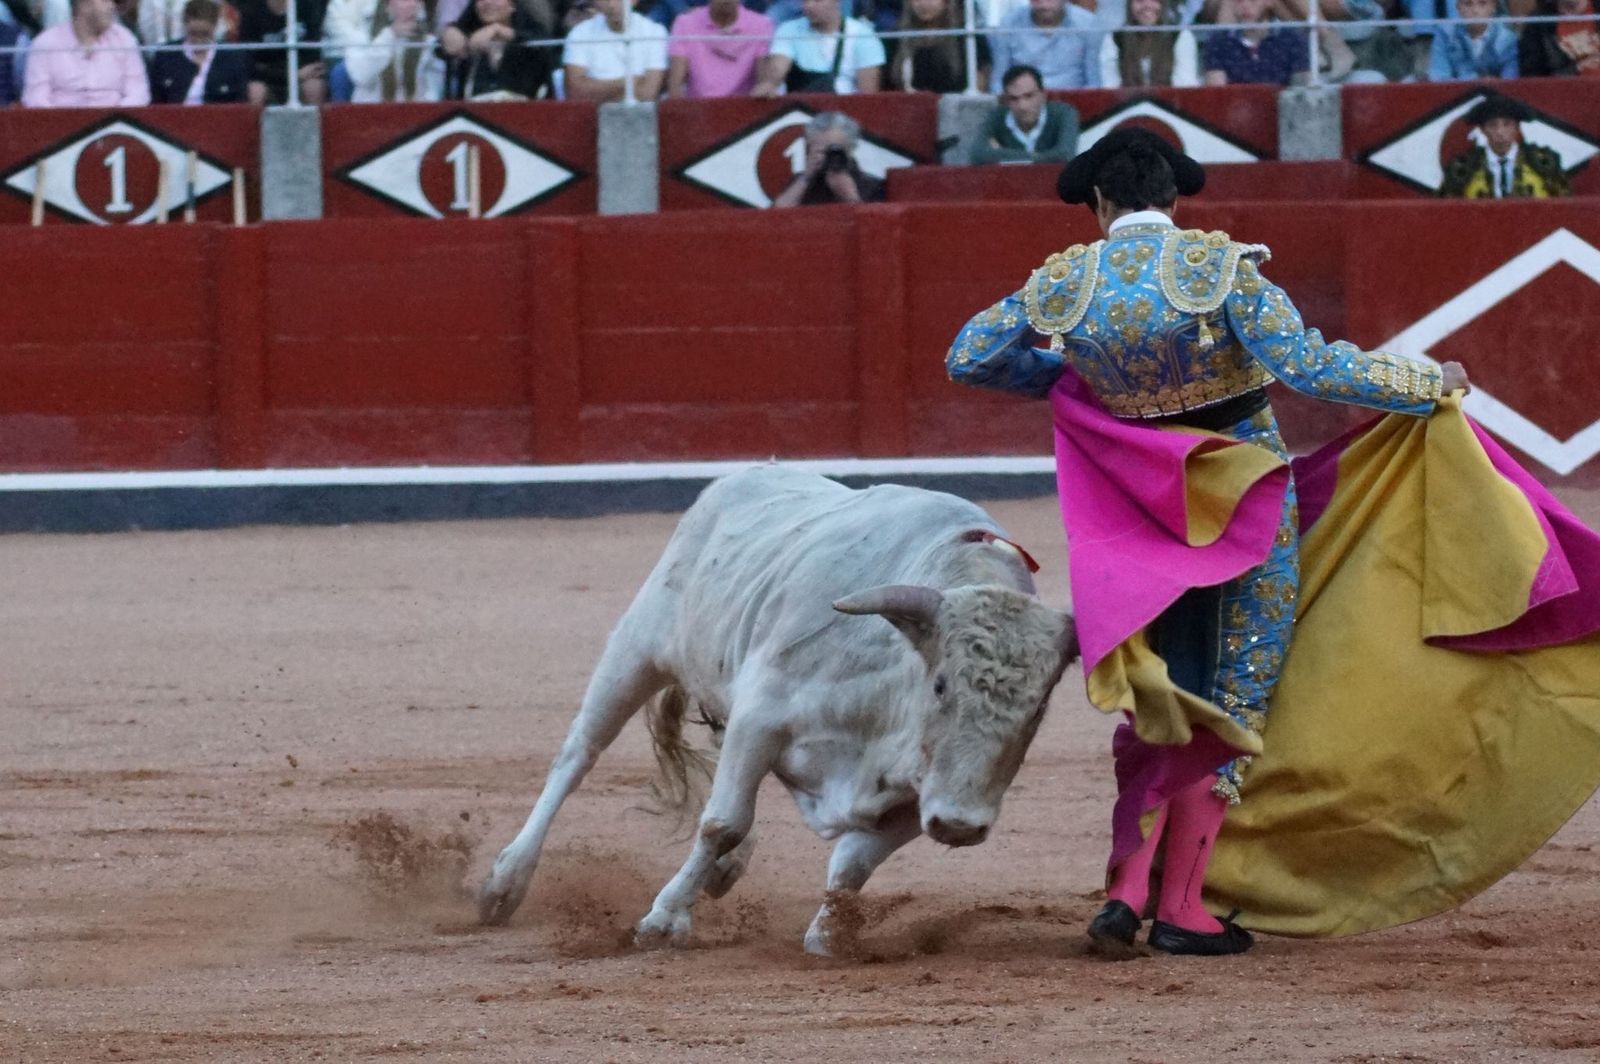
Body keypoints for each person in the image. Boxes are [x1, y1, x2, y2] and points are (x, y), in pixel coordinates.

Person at [945, 127, 1470, 956]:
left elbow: (969, 357)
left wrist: (1068, 375)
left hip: (1140, 506)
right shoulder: (1219, 267)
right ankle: (1183, 909)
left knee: (1162, 685)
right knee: (1233, 688)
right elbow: (1308, 368)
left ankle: (1125, 892)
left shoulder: (1065, 281)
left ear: (1098, 204)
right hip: (1244, 498)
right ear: (1174, 199)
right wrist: (1422, 381)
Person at [1439, 94, 1571, 197]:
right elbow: (1446, 210)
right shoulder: (1462, 167)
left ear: (1517, 128)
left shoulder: (1543, 162)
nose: (1500, 132)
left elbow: (1562, 204)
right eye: (1492, 125)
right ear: (1482, 130)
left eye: (1507, 124)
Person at [22, 0, 149, 105]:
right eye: (105, 1)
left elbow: (138, 93)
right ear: (83, 4)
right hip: (60, 124)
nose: (112, 6)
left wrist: (115, 120)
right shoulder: (45, 44)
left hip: (116, 124)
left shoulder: (125, 40)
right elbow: (35, 98)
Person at [754, 0, 884, 94]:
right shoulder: (788, 30)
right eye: (805, 1)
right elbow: (778, 67)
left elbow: (868, 94)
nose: (809, 6)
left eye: (817, 0)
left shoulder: (864, 35)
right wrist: (769, 83)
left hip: (845, 114)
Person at [441, 0, 558, 98]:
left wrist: (500, 31)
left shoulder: (532, 38)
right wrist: (451, 32)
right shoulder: (469, 39)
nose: (488, 2)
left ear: (512, 5)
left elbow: (545, 45)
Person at [771, 110, 886, 206]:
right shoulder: (800, 183)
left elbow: (875, 222)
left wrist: (850, 197)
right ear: (810, 148)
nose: (829, 156)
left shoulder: (872, 185)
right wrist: (806, 178)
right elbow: (776, 216)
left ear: (850, 149)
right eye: (822, 150)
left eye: (835, 150)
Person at [562, 0, 668, 101]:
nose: (612, 5)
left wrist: (596, 88)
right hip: (593, 112)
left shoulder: (655, 32)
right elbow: (576, 93)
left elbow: (648, 93)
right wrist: (628, 82)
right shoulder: (579, 33)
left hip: (641, 112)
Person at [972, 64, 1079, 164]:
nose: (1022, 106)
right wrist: (1039, 157)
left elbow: (1065, 154)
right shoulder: (996, 116)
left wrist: (1001, 153)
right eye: (1013, 99)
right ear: (1005, 101)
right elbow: (977, 154)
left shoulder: (1063, 113)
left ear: (1043, 95)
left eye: (1029, 96)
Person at [665, 0, 773, 98]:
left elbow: (763, 80)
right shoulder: (685, 23)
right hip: (698, 108)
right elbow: (676, 84)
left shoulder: (761, 25)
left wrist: (765, 87)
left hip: (744, 107)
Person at [148, 0, 251, 101]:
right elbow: (156, 100)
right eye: (193, 33)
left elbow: (239, 101)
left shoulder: (233, 59)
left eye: (205, 34)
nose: (199, 40)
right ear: (184, 24)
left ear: (215, 25)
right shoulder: (166, 56)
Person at [988, 0, 1102, 90]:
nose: (1044, 5)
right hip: (1023, 105)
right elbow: (999, 81)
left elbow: (1094, 81)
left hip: (1075, 103)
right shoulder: (1009, 24)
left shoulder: (1089, 24)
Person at [346, 0, 445, 98]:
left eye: (417, 0)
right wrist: (390, 34)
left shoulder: (428, 42)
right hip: (372, 106)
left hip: (414, 106)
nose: (413, 4)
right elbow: (361, 77)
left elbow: (434, 88)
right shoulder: (361, 37)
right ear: (387, 5)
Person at [885, 0, 990, 92]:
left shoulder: (967, 37)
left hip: (956, 106)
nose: (924, 4)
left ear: (947, 2)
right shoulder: (896, 38)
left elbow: (980, 83)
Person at [237, 0, 327, 104]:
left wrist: (300, 73)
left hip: (302, 72)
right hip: (267, 77)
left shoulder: (307, 6)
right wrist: (293, 75)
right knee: (255, 91)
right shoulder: (251, 10)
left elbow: (313, 51)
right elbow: (250, 63)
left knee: (314, 87)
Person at [1201, 0, 1308, 85]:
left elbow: (1301, 91)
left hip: (1280, 105)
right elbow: (1217, 92)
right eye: (1239, 0)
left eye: (1253, 0)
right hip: (1235, 105)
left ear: (1269, 2)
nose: (1245, 5)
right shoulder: (1219, 43)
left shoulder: (1292, 40)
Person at [1105, 0, 1198, 86]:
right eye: (1140, 0)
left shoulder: (1181, 36)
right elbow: (1110, 88)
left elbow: (1185, 86)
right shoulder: (1115, 39)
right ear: (1129, 5)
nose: (1148, 5)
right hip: (1127, 98)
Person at [1427, 0, 1516, 79]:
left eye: (1482, 3)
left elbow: (1510, 82)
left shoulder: (1507, 40)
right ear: (1458, 7)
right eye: (1468, 4)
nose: (1475, 10)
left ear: (1493, 7)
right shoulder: (1445, 35)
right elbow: (1439, 77)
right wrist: (1478, 81)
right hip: (1456, 93)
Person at [1519, 0, 1600, 77]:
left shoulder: (1596, 8)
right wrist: (1576, 69)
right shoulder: (1539, 22)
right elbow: (1533, 77)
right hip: (1570, 85)